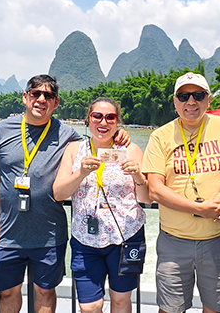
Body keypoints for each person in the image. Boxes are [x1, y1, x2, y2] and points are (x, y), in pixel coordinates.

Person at [0, 74, 83, 313]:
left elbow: (100, 144)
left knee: (45, 291)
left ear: (56, 102)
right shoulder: (0, 130)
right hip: (7, 232)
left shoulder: (68, 135)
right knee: (8, 291)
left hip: (49, 234)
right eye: (35, 93)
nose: (41, 99)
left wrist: (119, 137)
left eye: (48, 95)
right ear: (25, 97)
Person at [143, 72, 220, 313]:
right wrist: (200, 209)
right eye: (184, 96)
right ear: (175, 102)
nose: (191, 102)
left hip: (218, 239)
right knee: (170, 309)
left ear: (209, 100)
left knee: (217, 309)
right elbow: (155, 189)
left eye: (198, 95)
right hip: (174, 241)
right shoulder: (160, 136)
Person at [53, 97, 150, 313]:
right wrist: (81, 173)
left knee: (121, 301)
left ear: (117, 122)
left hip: (126, 237)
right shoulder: (74, 150)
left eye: (110, 117)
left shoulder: (131, 150)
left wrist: (138, 175)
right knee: (89, 307)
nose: (103, 122)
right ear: (88, 120)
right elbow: (59, 193)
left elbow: (146, 198)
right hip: (85, 239)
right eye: (97, 116)